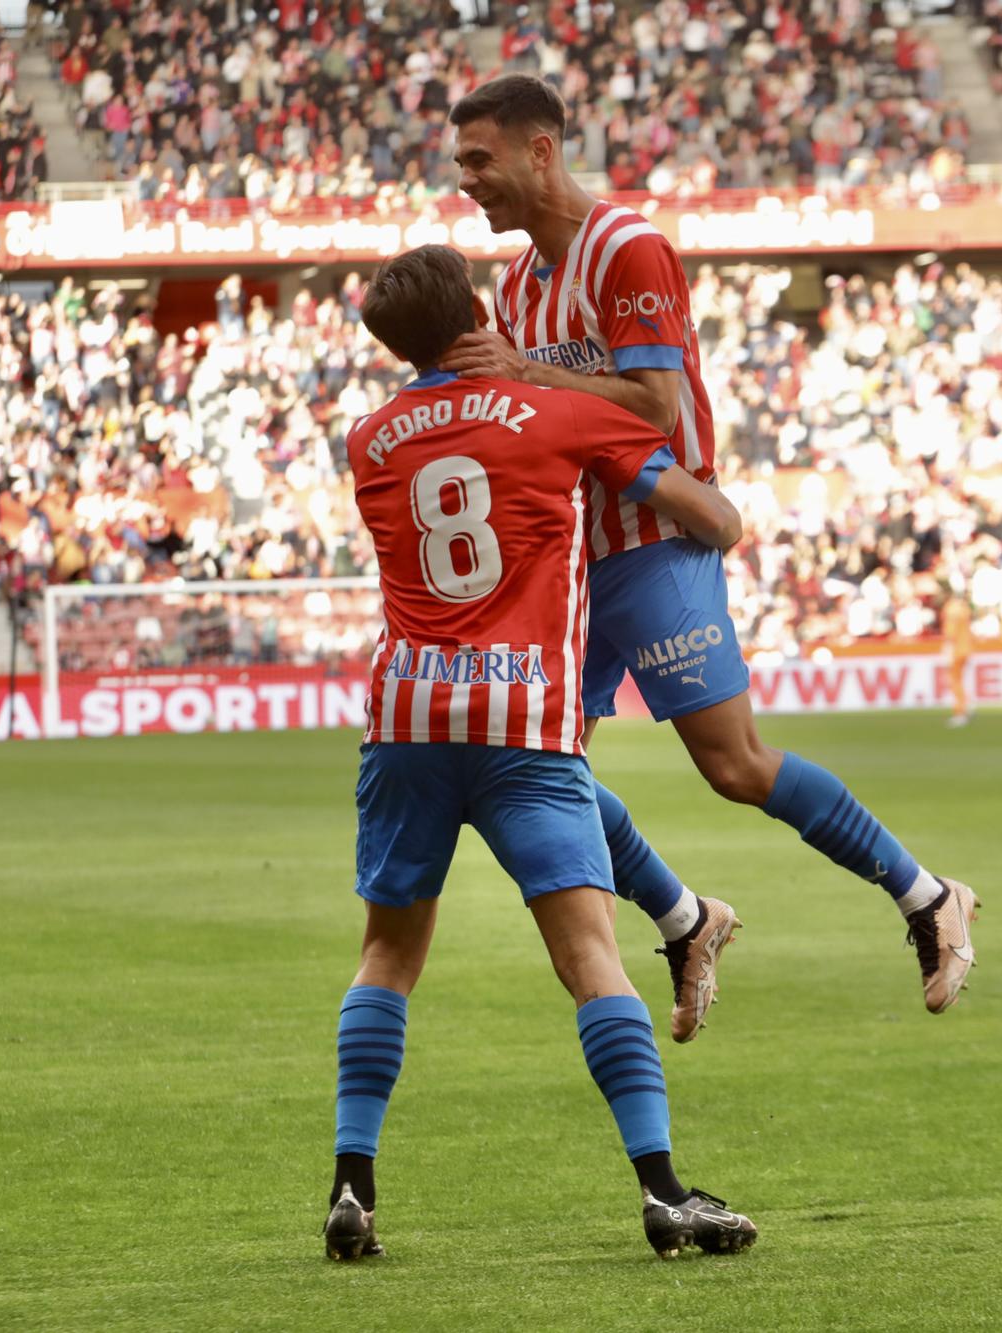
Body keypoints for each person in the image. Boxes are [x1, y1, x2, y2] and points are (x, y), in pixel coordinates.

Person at [441, 75, 979, 1035]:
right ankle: (688, 918)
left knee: (732, 764)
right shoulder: (520, 284)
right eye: (460, 164)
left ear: (540, 150)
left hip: (656, 538)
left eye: (480, 159)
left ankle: (927, 893)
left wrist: (522, 374)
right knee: (528, 767)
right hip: (574, 554)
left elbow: (653, 404)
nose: (467, 179)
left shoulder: (628, 248)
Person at [324, 244, 757, 1263]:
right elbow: (710, 517)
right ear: (478, 310)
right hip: (523, 719)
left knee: (384, 957)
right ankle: (661, 1192)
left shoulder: (368, 437)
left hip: (407, 716)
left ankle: (353, 1186)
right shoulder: (555, 413)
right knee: (590, 958)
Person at [942, 593, 974, 728]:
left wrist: (947, 651)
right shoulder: (964, 608)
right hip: (966, 648)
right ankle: (967, 707)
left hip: (956, 650)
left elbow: (950, 633)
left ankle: (960, 712)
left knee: (955, 682)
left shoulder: (951, 610)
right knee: (960, 681)